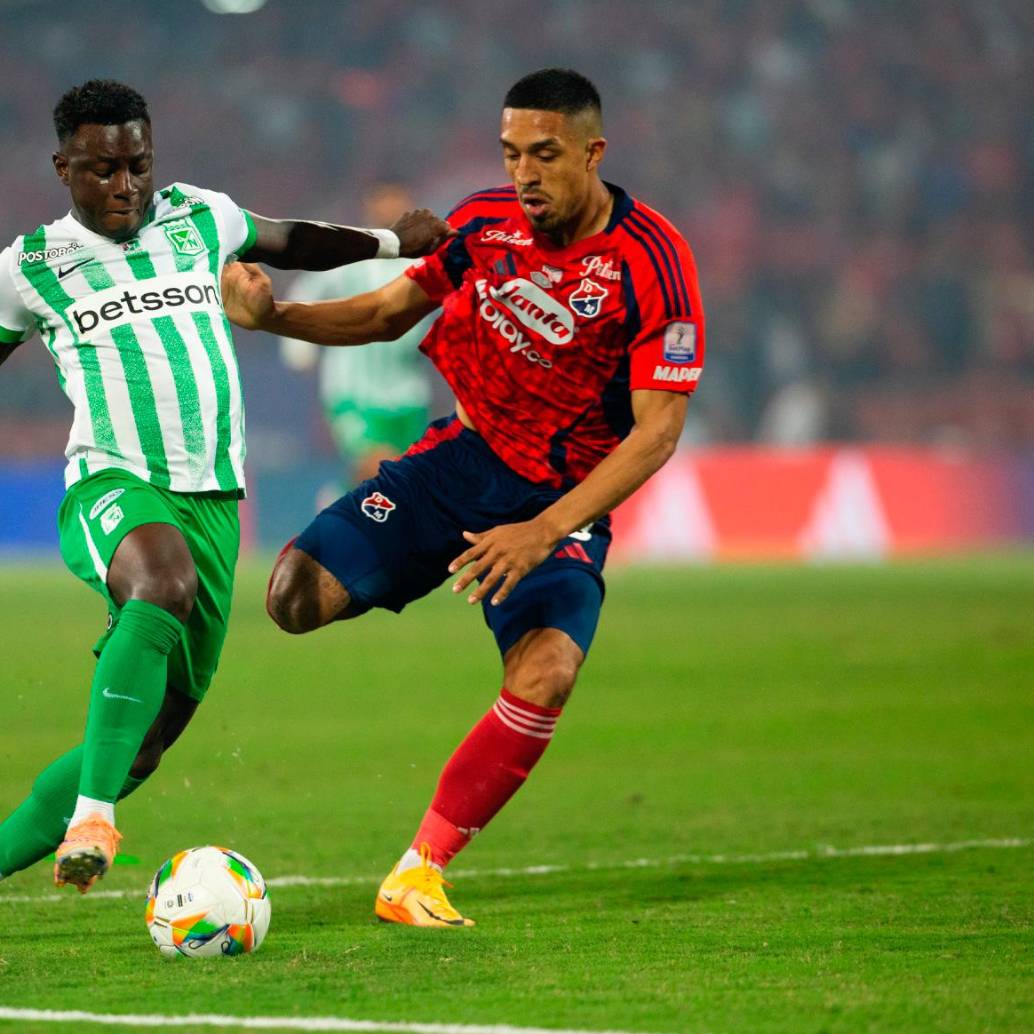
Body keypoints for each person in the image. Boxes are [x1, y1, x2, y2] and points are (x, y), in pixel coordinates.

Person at [223, 68, 704, 927]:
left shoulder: (653, 262)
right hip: (460, 462)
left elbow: (656, 432)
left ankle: (419, 872)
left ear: (593, 154)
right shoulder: (485, 223)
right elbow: (383, 314)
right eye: (512, 152)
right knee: (291, 598)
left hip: (562, 500)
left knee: (549, 671)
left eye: (545, 155)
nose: (525, 173)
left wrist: (545, 528)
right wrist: (274, 318)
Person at [0, 79, 450, 893]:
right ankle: (92, 817)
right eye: (103, 170)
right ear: (64, 166)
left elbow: (290, 240)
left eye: (137, 164)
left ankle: (48, 827)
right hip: (112, 480)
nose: (125, 185)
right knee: (159, 580)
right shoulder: (29, 268)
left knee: (146, 740)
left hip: (213, 501)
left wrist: (393, 243)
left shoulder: (198, 215)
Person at [280, 180, 435, 491]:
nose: (389, 206)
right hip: (353, 390)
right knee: (375, 464)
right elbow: (308, 290)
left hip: (408, 392)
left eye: (396, 199)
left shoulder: (426, 261)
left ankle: (340, 504)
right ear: (369, 205)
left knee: (404, 476)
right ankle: (339, 514)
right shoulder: (353, 252)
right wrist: (299, 349)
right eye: (382, 199)